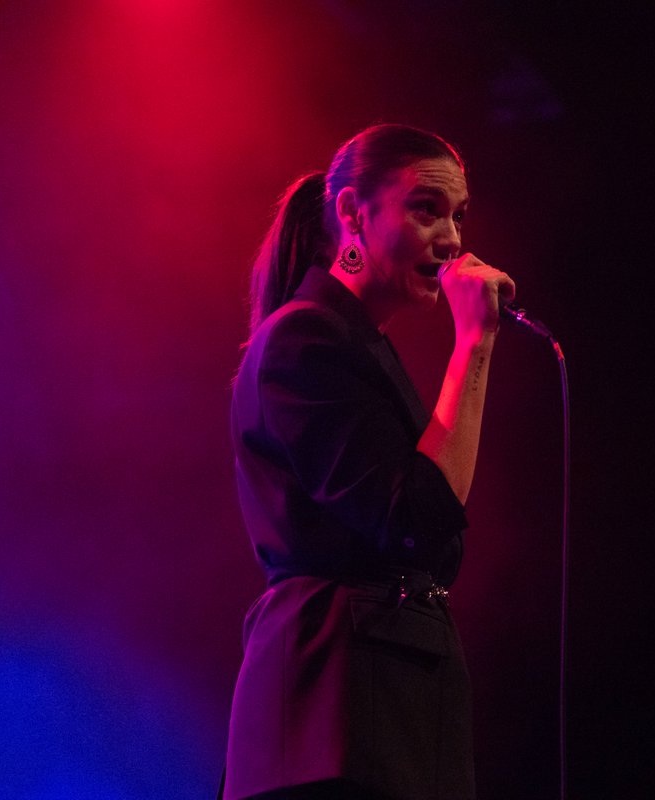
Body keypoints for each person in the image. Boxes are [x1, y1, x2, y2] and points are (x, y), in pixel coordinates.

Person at [221, 124, 513, 800]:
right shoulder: (305, 337)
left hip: (382, 702)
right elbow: (415, 519)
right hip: (334, 710)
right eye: (426, 209)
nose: (452, 239)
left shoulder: (359, 346)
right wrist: (474, 344)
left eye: (459, 215)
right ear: (353, 213)